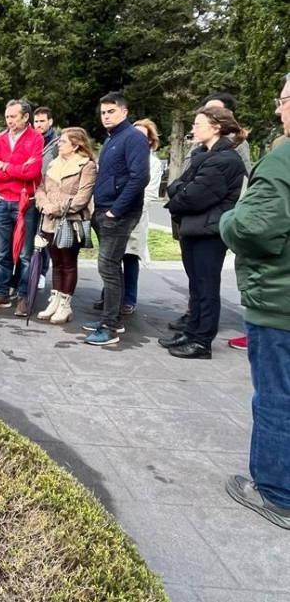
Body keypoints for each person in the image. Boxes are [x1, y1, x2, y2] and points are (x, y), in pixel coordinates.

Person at [219, 75, 290, 530]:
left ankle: (275, 492)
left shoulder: (282, 160)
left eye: (283, 101)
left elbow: (251, 227)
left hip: (281, 302)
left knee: (278, 397)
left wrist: (228, 218)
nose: (279, 110)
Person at [157, 107, 245, 359]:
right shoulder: (202, 154)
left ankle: (202, 341)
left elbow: (192, 196)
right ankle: (191, 330)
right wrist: (180, 191)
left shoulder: (225, 159)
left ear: (216, 127)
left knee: (206, 286)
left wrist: (178, 195)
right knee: (196, 286)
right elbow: (177, 185)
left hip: (210, 232)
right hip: (195, 229)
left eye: (197, 124)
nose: (193, 129)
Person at [82, 92, 149, 346]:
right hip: (105, 210)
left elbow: (139, 178)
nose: (106, 116)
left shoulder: (133, 138)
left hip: (118, 214)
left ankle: (109, 326)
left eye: (111, 111)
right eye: (103, 112)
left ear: (124, 111)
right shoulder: (113, 138)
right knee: (112, 268)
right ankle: (114, 319)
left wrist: (115, 211)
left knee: (108, 268)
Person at [93, 118, 162, 315]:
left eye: (142, 135)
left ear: (149, 140)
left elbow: (147, 190)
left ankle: (128, 299)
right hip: (114, 211)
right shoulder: (119, 151)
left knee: (130, 257)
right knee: (111, 260)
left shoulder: (153, 162)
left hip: (132, 214)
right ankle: (110, 298)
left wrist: (117, 209)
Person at [0, 100, 44, 316]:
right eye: (7, 117)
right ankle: (2, 293)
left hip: (24, 202)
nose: (9, 121)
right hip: (1, 200)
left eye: (13, 117)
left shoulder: (36, 138)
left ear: (26, 117)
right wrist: (16, 171)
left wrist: (5, 166)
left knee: (25, 254)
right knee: (1, 252)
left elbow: (33, 172)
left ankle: (24, 297)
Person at [34, 128, 98, 325]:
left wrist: (56, 208)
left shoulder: (86, 165)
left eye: (63, 141)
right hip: (49, 221)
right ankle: (55, 300)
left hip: (70, 221)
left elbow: (82, 198)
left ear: (76, 144)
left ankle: (65, 303)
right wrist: (45, 205)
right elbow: (41, 188)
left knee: (68, 262)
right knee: (56, 262)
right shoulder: (53, 164)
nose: (58, 144)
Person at [33, 106, 59, 290]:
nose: (39, 124)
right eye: (36, 121)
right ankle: (32, 270)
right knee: (34, 235)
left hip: (49, 197)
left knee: (45, 236)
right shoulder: (33, 141)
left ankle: (42, 272)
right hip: (31, 194)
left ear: (50, 122)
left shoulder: (57, 144)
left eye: (42, 121)